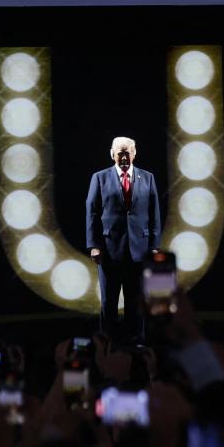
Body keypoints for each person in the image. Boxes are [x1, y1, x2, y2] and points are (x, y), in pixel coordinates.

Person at [85, 136, 161, 345]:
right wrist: (94, 245)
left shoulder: (148, 178)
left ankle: (136, 344)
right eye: (120, 153)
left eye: (128, 152)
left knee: (135, 303)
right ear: (112, 154)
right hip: (109, 252)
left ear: (135, 154)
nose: (124, 157)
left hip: (139, 252)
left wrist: (154, 246)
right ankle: (108, 345)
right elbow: (92, 212)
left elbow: (154, 213)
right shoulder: (99, 178)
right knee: (109, 303)